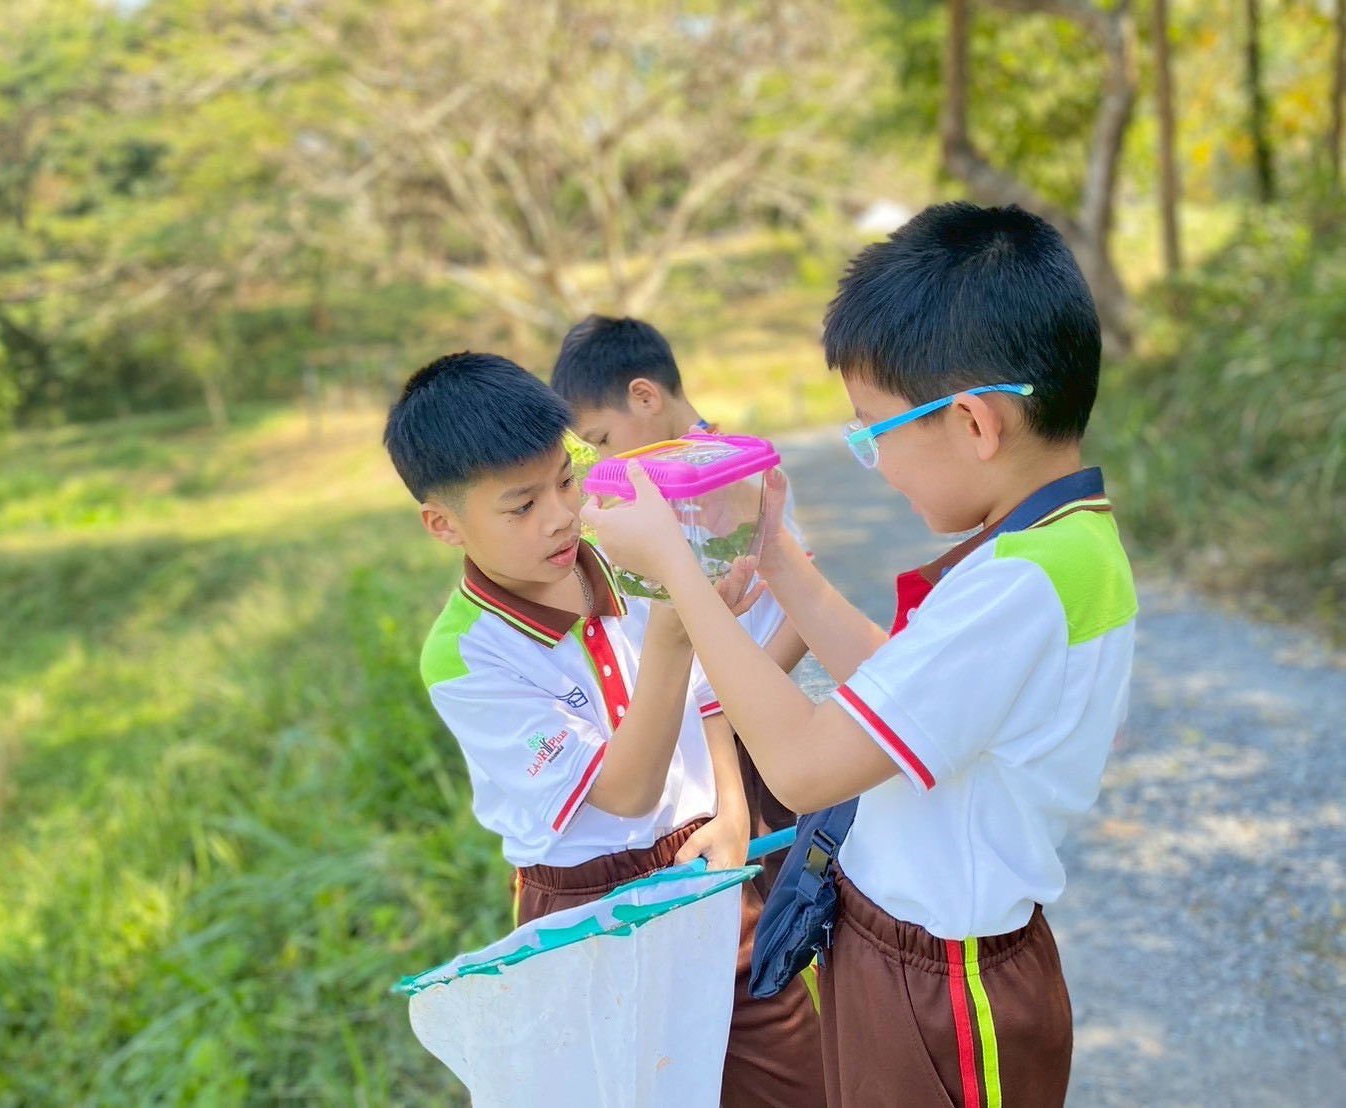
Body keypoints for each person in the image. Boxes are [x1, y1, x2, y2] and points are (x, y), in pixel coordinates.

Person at [585, 202, 1137, 1107]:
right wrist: (773, 552)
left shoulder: (1021, 585)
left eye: (872, 432)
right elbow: (900, 688)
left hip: (944, 988)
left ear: (972, 423)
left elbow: (805, 768)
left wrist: (678, 573)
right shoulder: (1051, 546)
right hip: (907, 956)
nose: (871, 459)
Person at [384, 352, 825, 1107]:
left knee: (798, 1080)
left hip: (706, 864)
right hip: (586, 910)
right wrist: (673, 632)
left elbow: (710, 692)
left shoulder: (626, 551)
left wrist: (730, 808)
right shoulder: (467, 655)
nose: (560, 515)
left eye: (566, 480)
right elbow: (624, 793)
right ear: (443, 524)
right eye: (521, 506)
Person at [550, 315, 809, 893]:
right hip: (717, 726)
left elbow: (801, 606)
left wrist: (745, 694)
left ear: (645, 396)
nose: (604, 457)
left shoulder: (734, 473)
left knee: (775, 889)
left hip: (752, 724)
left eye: (602, 439)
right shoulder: (661, 487)